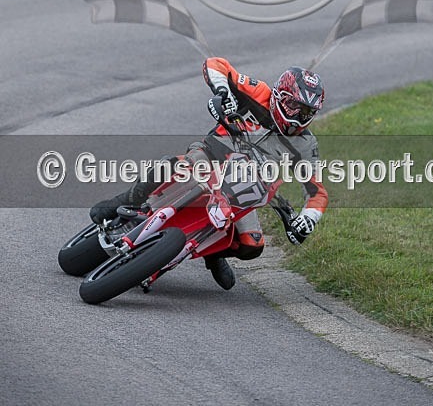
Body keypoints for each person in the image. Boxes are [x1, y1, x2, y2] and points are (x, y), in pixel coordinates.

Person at [90, 59, 327, 290]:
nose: (298, 115)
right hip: (211, 156)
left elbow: (318, 192)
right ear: (278, 95)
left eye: (307, 111)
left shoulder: (306, 144)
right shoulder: (258, 91)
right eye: (294, 105)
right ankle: (124, 200)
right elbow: (216, 64)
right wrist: (224, 92)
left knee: (252, 246)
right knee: (172, 167)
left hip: (242, 190)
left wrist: (308, 218)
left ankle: (212, 254)